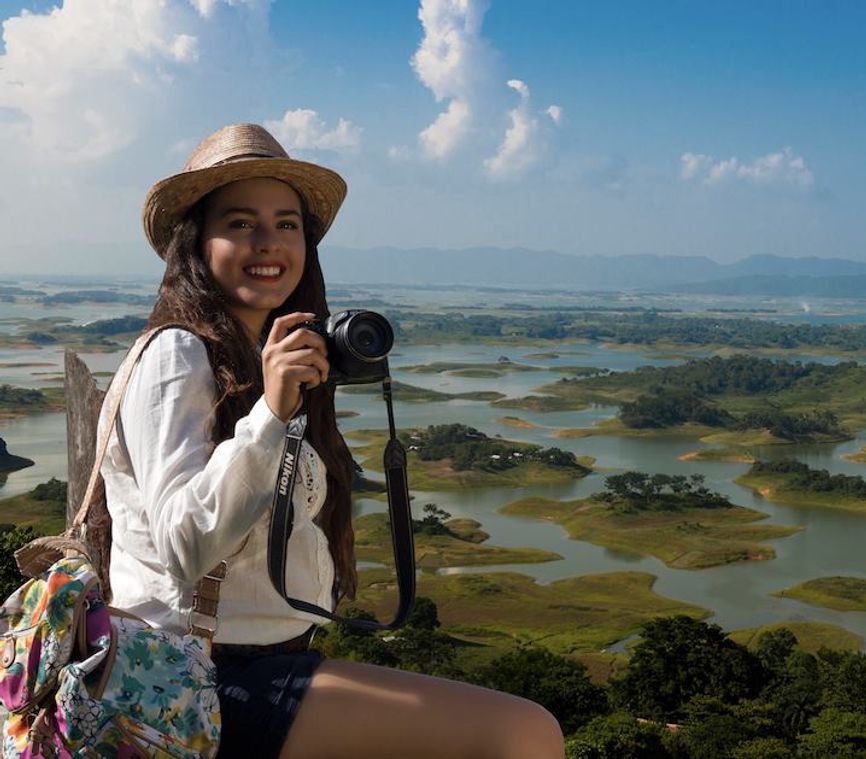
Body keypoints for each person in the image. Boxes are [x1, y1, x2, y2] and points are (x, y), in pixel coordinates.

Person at [99, 123, 565, 758]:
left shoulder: (254, 352)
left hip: (250, 665)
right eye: (240, 223)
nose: (268, 243)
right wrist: (270, 412)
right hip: (196, 679)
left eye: (287, 224)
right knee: (523, 733)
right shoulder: (179, 353)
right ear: (196, 241)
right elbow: (184, 545)